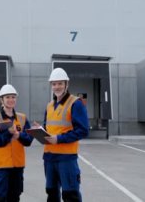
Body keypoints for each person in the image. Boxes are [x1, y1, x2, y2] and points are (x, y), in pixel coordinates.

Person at [36, 68, 89, 202]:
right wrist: (40, 130)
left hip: (66, 158)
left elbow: (83, 130)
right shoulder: (49, 105)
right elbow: (50, 128)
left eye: (60, 83)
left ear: (66, 84)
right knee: (51, 194)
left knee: (70, 195)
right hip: (49, 157)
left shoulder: (76, 103)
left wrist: (59, 139)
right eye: (54, 84)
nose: (57, 87)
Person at [0, 84, 34, 202]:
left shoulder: (22, 118)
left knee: (15, 196)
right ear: (1, 99)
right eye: (7, 97)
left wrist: (20, 135)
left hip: (17, 166)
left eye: (13, 97)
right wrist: (8, 133)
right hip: (1, 166)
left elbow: (28, 141)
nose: (11, 100)